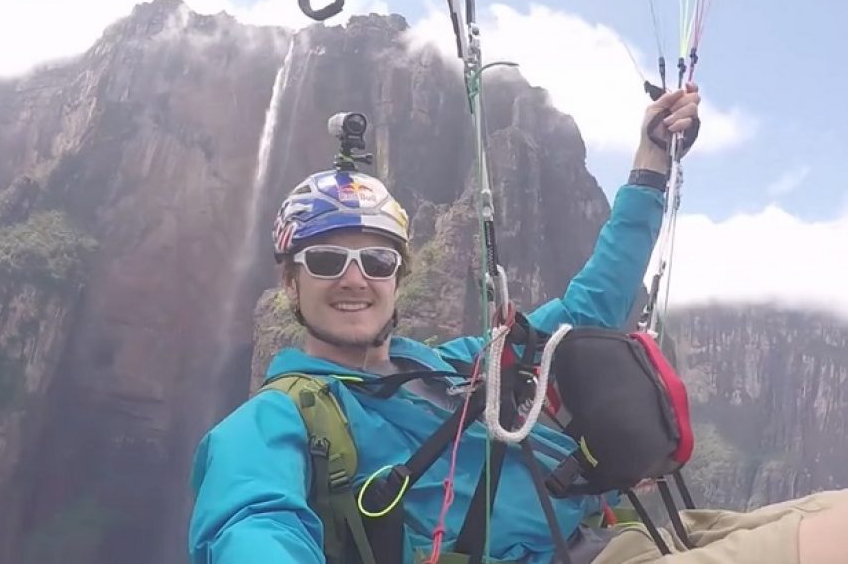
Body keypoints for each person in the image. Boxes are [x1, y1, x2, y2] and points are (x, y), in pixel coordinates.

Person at [187, 84, 848, 564]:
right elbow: (252, 524)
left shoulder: (451, 366)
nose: (355, 279)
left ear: (398, 275)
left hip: (617, 539)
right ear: (291, 281)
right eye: (327, 260)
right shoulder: (270, 422)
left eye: (377, 260)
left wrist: (650, 164)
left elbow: (589, 308)